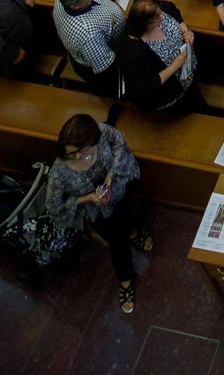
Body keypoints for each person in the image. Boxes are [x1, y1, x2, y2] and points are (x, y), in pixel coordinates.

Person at [45, 114, 149, 314]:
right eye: (71, 153)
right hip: (98, 211)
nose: (76, 156)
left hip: (119, 191)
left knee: (129, 216)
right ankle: (126, 280)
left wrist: (111, 174)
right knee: (117, 245)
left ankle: (133, 233)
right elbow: (54, 206)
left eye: (81, 151)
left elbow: (119, 140)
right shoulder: (59, 172)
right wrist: (87, 198)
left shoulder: (100, 132)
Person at [114, 0, 197, 114]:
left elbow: (172, 9)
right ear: (147, 23)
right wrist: (174, 66)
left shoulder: (158, 11)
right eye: (158, 16)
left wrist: (185, 30)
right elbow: (145, 87)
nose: (161, 16)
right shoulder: (135, 51)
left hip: (187, 69)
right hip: (171, 88)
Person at [52, 0, 125, 84]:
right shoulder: (88, 34)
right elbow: (106, 68)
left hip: (96, 35)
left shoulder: (60, 1)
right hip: (109, 49)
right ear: (75, 6)